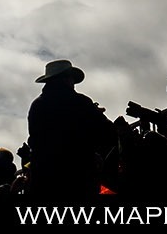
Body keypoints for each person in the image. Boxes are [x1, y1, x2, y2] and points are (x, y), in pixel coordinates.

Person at [27, 59, 115, 198]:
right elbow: (106, 132)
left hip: (44, 178)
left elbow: (35, 140)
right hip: (78, 176)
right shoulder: (80, 102)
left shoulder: (37, 105)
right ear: (66, 79)